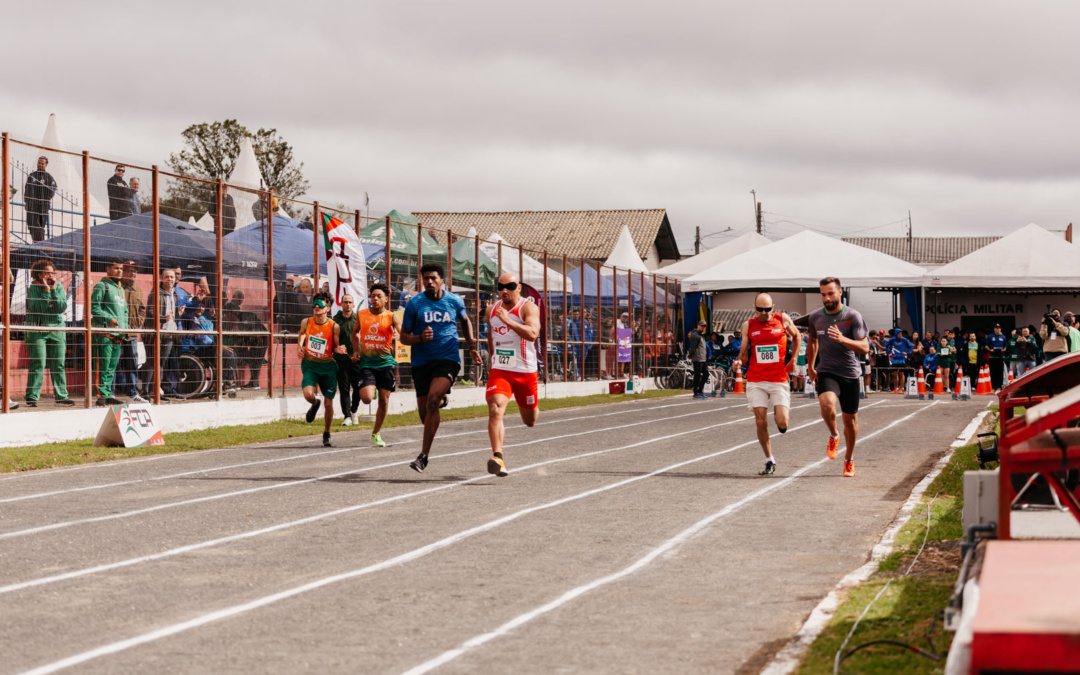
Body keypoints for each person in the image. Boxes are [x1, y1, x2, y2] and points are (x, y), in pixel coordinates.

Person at [399, 262, 481, 473]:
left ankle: (423, 456)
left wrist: (471, 346)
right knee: (425, 414)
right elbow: (404, 337)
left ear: (442, 280)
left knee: (433, 402)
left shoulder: (454, 300)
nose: (429, 282)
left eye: (433, 278)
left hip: (447, 359)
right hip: (421, 362)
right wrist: (419, 338)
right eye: (425, 278)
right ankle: (440, 398)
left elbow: (465, 321)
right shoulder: (415, 304)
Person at [806, 277, 869, 478]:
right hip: (827, 370)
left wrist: (843, 339)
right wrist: (810, 366)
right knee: (826, 404)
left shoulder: (853, 316)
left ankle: (849, 460)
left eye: (831, 293)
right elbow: (813, 342)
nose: (827, 298)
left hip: (850, 373)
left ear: (840, 292)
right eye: (823, 294)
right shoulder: (815, 317)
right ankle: (834, 434)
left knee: (850, 422)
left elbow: (865, 347)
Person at [734, 294, 800, 475]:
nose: (764, 313)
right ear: (754, 307)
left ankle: (780, 417)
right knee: (760, 420)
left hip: (778, 379)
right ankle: (769, 460)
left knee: (782, 422)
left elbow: (797, 337)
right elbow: (743, 352)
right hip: (756, 379)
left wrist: (793, 359)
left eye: (767, 309)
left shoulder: (782, 319)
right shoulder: (749, 325)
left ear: (773, 307)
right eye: (760, 309)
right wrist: (739, 362)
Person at [484, 273, 541, 477]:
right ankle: (498, 457)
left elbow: (532, 334)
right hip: (501, 371)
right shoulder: (492, 310)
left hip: (525, 372)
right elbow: (491, 337)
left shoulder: (528, 307)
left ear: (519, 287)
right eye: (500, 287)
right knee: (495, 408)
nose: (504, 290)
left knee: (530, 421)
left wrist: (508, 320)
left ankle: (532, 406)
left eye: (509, 286)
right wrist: (493, 360)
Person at [352, 283, 401, 447]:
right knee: (366, 398)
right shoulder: (362, 314)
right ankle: (370, 387)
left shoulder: (391, 316)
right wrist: (355, 350)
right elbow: (355, 332)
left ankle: (376, 433)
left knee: (384, 401)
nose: (375, 298)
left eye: (379, 296)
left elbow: (402, 331)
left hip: (386, 363)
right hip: (367, 363)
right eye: (373, 296)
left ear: (386, 299)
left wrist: (398, 334)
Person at [298, 291, 348, 447]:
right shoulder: (306, 322)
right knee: (307, 394)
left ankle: (326, 433)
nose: (316, 307)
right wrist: (300, 346)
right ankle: (314, 403)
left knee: (328, 403)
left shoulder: (334, 326)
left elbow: (334, 346)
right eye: (315, 303)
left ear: (327, 308)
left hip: (327, 367)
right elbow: (301, 334)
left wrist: (338, 350)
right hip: (310, 364)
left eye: (321, 304)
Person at [25, 259, 74, 407]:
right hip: (38, 329)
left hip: (56, 329)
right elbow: (37, 307)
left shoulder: (58, 286)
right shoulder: (34, 287)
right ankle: (32, 397)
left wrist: (52, 290)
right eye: (48, 273)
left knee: (58, 363)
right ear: (40, 274)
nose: (51, 276)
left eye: (53, 273)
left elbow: (60, 307)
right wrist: (46, 292)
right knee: (38, 362)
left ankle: (61, 396)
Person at [90, 258, 128, 406]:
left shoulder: (120, 289)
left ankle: (108, 393)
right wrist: (108, 318)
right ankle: (101, 396)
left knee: (112, 367)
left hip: (118, 335)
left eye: (121, 268)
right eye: (116, 268)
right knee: (103, 365)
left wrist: (125, 328)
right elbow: (94, 308)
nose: (119, 271)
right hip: (104, 334)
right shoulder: (102, 286)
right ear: (108, 269)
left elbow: (124, 311)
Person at [140, 268, 181, 401]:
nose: (169, 279)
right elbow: (150, 311)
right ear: (162, 278)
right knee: (152, 362)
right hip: (154, 333)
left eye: (172, 277)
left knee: (161, 363)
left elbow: (173, 313)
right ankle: (144, 391)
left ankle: (155, 391)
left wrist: (177, 316)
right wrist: (163, 318)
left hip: (169, 333)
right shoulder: (156, 292)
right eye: (167, 277)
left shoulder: (174, 294)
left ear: (175, 279)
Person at [117, 261, 147, 402]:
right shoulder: (117, 287)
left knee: (132, 362)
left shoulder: (138, 290)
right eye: (129, 271)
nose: (132, 273)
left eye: (134, 271)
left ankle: (132, 391)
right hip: (117, 331)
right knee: (114, 361)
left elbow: (142, 308)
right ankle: (112, 391)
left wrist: (138, 322)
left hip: (132, 333)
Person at [332, 294, 363, 426]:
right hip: (341, 359)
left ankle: (354, 411)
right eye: (345, 302)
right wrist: (336, 347)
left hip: (357, 359)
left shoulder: (358, 318)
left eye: (350, 302)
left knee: (359, 388)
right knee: (344, 389)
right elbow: (331, 339)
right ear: (341, 304)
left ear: (353, 304)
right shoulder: (335, 320)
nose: (348, 304)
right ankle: (347, 416)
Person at [24, 156, 57, 242]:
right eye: (39, 163)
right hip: (32, 204)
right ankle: (35, 241)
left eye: (42, 163)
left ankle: (39, 243)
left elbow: (53, 188)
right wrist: (26, 201)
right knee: (31, 223)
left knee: (40, 225)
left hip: (43, 205)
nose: (40, 165)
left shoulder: (48, 177)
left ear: (46, 165)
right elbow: (27, 188)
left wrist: (48, 198)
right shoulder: (32, 176)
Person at [686, 320, 710, 399]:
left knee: (706, 374)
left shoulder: (700, 335)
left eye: (705, 326)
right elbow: (693, 347)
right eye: (702, 326)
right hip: (697, 358)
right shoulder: (695, 335)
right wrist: (690, 356)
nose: (703, 328)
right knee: (697, 375)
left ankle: (700, 391)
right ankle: (696, 392)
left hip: (703, 358)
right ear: (698, 325)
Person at [885, 328, 913, 393]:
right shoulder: (892, 340)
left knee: (901, 374)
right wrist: (889, 352)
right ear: (896, 334)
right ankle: (895, 388)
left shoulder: (904, 339)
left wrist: (908, 352)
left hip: (901, 359)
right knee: (895, 374)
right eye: (899, 334)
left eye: (901, 334)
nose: (900, 335)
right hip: (894, 359)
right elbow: (886, 345)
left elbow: (911, 345)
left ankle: (901, 388)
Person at [984, 324, 1008, 390]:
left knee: (1000, 372)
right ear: (994, 329)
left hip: (1000, 357)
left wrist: (1004, 349)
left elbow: (1006, 346)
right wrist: (990, 350)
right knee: (993, 372)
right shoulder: (990, 336)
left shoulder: (1003, 337)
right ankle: (993, 386)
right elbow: (986, 345)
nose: (998, 329)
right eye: (996, 328)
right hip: (992, 357)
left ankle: (999, 385)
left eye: (999, 328)